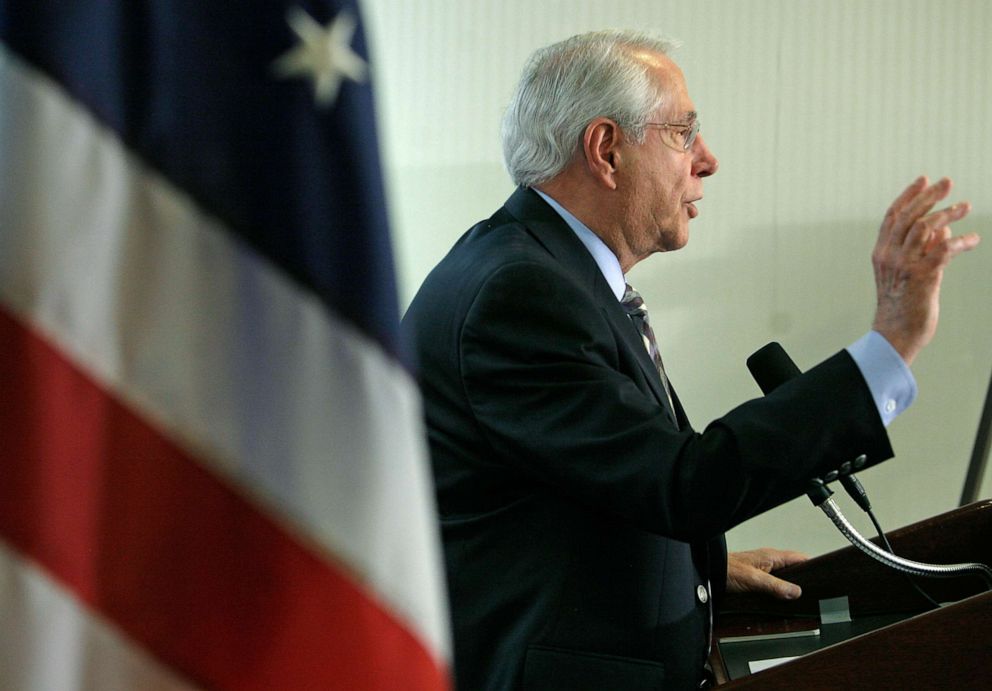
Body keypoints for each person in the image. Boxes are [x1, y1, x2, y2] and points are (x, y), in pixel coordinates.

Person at [401, 30, 979, 691]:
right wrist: (891, 345)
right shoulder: (520, 294)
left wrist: (697, 567)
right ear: (606, 149)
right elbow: (681, 483)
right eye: (684, 134)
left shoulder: (540, 271)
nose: (707, 160)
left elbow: (579, 482)